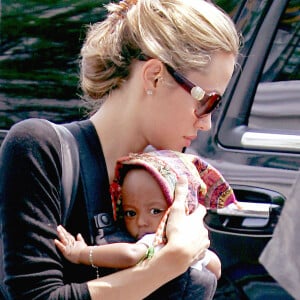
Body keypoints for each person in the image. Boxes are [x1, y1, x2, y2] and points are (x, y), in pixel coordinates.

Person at [0, 0, 240, 299]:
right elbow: (35, 295)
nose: (207, 123)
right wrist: (166, 265)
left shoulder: (169, 174)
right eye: (207, 102)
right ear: (154, 76)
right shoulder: (41, 147)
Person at [55, 150, 238, 282]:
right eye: (130, 213)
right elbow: (216, 268)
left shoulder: (158, 241)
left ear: (180, 209)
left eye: (155, 211)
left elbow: (130, 254)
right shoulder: (189, 247)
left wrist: (82, 254)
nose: (141, 222)